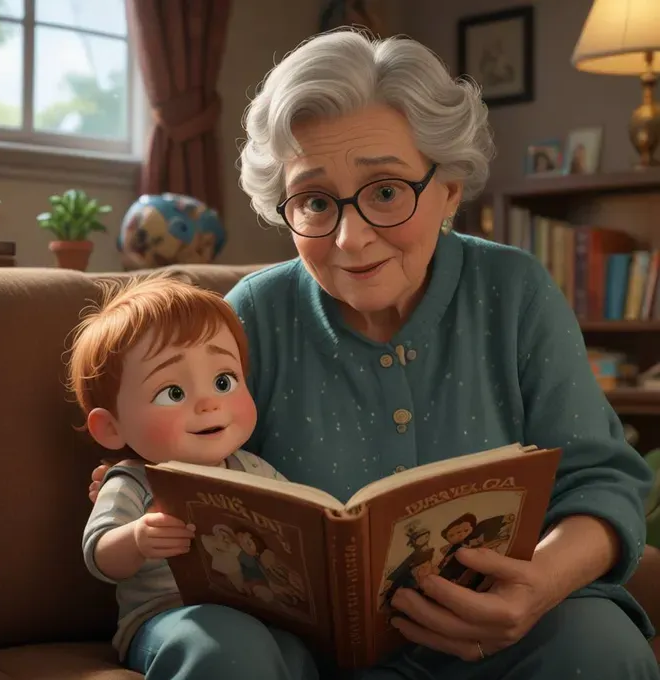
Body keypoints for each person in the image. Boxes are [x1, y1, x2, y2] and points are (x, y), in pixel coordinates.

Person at [88, 30, 659, 680]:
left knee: (600, 646)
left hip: (501, 637)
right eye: (314, 202)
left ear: (448, 188)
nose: (351, 239)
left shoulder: (514, 290)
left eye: (386, 191)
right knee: (225, 652)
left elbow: (603, 480)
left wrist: (541, 584)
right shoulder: (252, 314)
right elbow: (182, 467)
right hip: (306, 650)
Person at [70, 274, 305, 677]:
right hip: (167, 620)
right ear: (112, 428)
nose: (209, 403)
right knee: (223, 643)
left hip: (259, 614)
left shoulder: (252, 468)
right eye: (173, 393)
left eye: (223, 381)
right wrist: (138, 538)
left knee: (296, 652)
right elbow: (100, 555)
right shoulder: (133, 480)